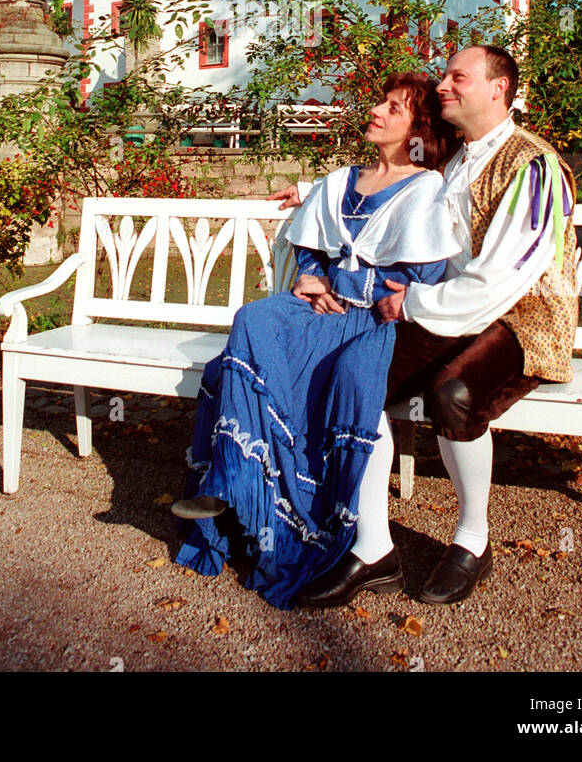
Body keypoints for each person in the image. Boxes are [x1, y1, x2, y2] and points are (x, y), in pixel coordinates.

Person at [295, 43, 577, 609]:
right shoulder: (455, 159)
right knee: (359, 374)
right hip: (448, 308)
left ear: (498, 88)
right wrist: (308, 196)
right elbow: (401, 198)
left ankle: (473, 540)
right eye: (445, 76)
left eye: (458, 77)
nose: (444, 85)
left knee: (456, 393)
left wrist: (414, 304)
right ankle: (374, 548)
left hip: (522, 318)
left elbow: (503, 277)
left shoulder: (533, 164)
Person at [171, 73, 460, 610]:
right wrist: (307, 275)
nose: (376, 110)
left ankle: (239, 489)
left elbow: (424, 271)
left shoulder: (425, 189)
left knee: (250, 356)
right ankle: (232, 481)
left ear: (419, 129)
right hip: (316, 305)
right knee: (255, 318)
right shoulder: (341, 179)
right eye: (380, 100)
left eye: (393, 108)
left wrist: (372, 292)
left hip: (369, 323)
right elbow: (312, 248)